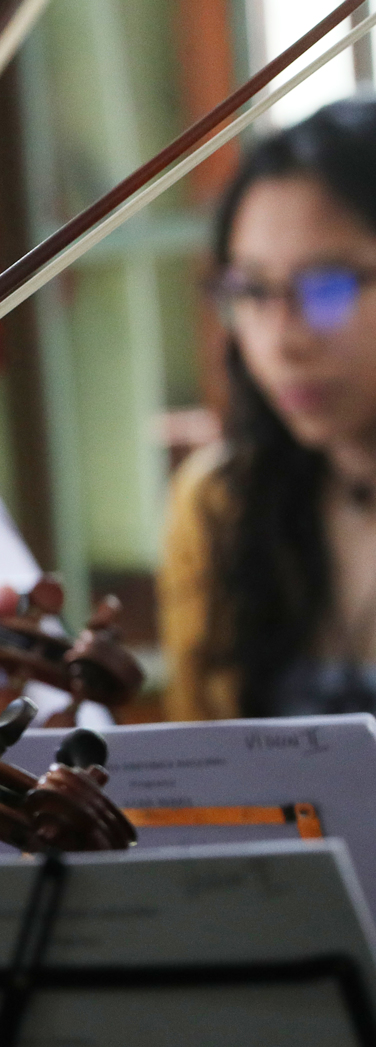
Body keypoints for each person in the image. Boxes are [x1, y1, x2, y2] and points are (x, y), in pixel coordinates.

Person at [162, 99, 376, 720]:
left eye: (329, 286)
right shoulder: (219, 505)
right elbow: (209, 776)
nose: (282, 339)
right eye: (252, 291)